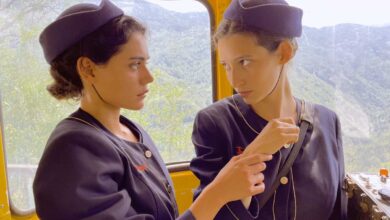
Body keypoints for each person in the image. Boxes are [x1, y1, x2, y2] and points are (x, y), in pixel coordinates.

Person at [32, 0, 274, 219]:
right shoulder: (74, 149)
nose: (148, 78)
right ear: (88, 68)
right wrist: (217, 193)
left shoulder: (129, 130)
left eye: (145, 63)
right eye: (135, 65)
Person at [190, 0, 348, 219]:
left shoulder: (328, 122)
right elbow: (209, 213)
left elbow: (338, 212)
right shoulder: (215, 124)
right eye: (226, 65)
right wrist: (256, 152)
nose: (235, 80)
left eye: (244, 62)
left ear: (283, 52)